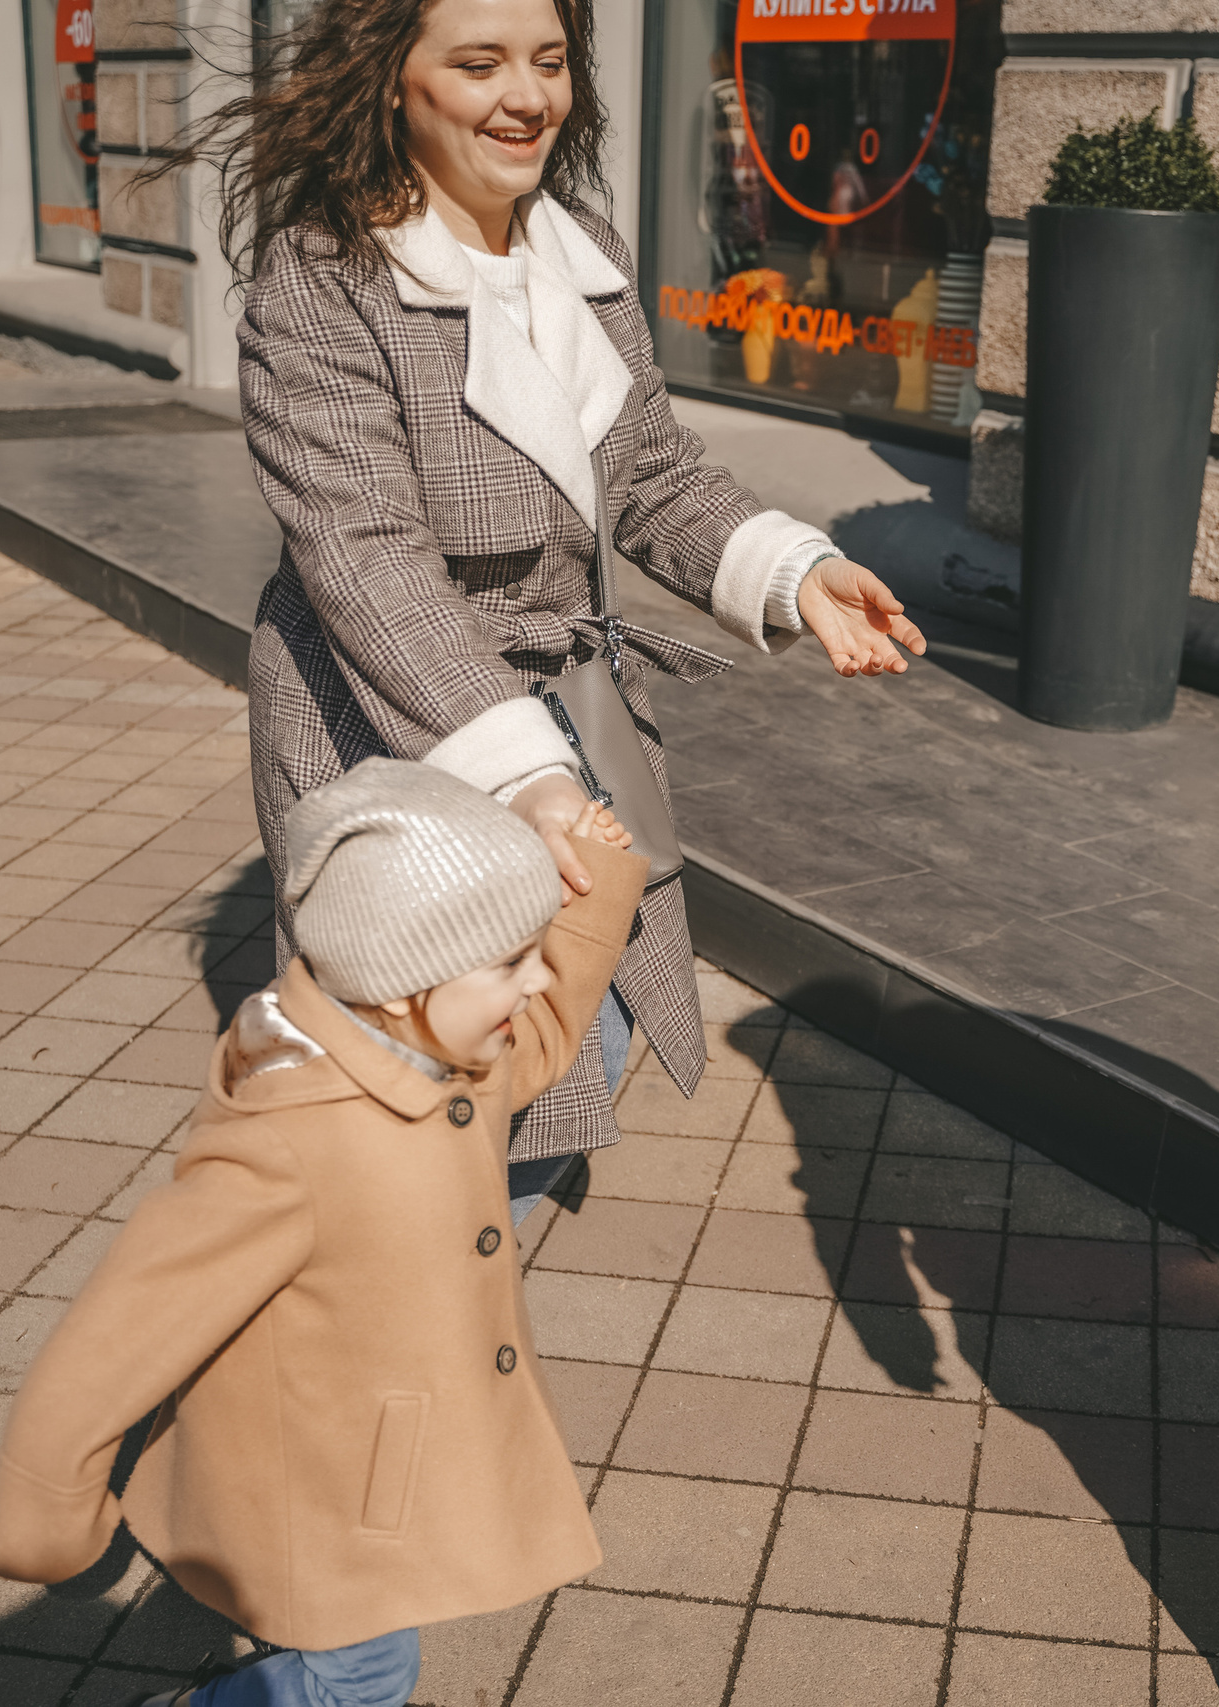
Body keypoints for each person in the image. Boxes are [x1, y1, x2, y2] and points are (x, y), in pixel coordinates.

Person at [176, 0, 929, 1229]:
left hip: (566, 717)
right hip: (399, 725)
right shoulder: (321, 286)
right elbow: (366, 563)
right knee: (440, 1093)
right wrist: (523, 775)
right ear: (392, 84)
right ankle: (396, 1354)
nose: (527, 95)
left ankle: (448, 1326)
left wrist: (790, 569)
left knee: (584, 1025)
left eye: (547, 59)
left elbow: (652, 474)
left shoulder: (576, 253)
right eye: (477, 64)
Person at [0, 760, 646, 1707]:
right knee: (364, 1678)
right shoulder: (287, 1145)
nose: (537, 978)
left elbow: (543, 1037)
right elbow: (117, 1338)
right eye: (510, 961)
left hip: (377, 1463)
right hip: (319, 1488)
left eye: (537, 949)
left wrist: (585, 891)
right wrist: (49, 1509)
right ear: (405, 978)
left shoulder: (442, 1055)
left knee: (359, 1671)